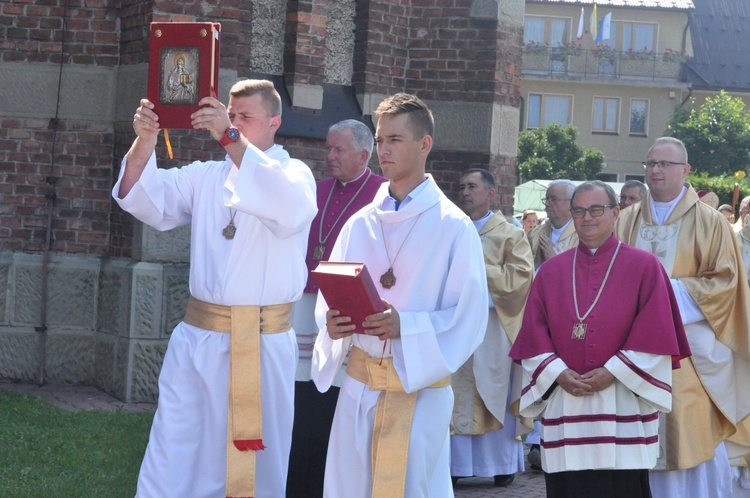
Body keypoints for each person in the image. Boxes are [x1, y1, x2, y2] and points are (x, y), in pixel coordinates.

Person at [113, 79, 317, 498]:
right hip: (198, 341)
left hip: (260, 344)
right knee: (175, 448)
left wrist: (229, 136)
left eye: (246, 117)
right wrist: (145, 141)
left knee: (252, 462)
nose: (234, 122)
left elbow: (289, 208)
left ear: (274, 122)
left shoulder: (294, 174)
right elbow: (143, 196)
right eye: (231, 113)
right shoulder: (206, 176)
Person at [311, 93, 488, 497]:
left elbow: (469, 317)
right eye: (379, 139)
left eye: (395, 139)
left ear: (424, 145)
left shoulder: (454, 227)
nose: (384, 150)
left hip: (417, 393)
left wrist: (404, 325)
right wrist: (333, 324)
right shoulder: (360, 224)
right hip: (358, 389)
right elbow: (332, 293)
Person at [510, 180, 690, 498]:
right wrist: (557, 373)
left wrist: (612, 372)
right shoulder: (551, 271)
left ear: (615, 212)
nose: (587, 217)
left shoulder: (645, 267)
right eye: (579, 210)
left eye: (596, 209)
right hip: (566, 403)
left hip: (622, 405)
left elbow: (656, 334)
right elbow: (533, 335)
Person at [614, 136, 750, 498]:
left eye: (665, 164)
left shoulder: (710, 222)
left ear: (685, 170)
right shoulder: (625, 220)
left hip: (690, 353)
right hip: (633, 350)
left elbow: (726, 283)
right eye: (650, 163)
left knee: (688, 430)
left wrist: (664, 293)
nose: (655, 170)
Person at [287, 119, 386, 498]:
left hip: (348, 310)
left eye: (338, 150)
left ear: (364, 155)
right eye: (327, 148)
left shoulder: (381, 195)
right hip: (305, 305)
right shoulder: (315, 191)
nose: (329, 156)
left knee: (337, 396)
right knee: (302, 395)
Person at [450, 169, 534, 487]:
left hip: (493, 330)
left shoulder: (511, 234)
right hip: (458, 328)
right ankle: (457, 466)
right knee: (456, 394)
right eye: (462, 186)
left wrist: (476, 268)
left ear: (491, 194)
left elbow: (520, 280)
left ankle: (500, 465)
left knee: (493, 392)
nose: (465, 192)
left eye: (472, 186)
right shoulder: (453, 230)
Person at [527, 180, 578, 269]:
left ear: (571, 203)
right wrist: (536, 262)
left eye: (554, 199)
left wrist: (553, 260)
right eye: (546, 199)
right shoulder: (534, 234)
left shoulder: (583, 236)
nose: (547, 203)